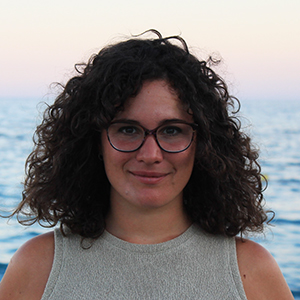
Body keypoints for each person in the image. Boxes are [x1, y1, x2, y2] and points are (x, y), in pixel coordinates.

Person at [0, 30, 293, 300]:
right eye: (128, 130)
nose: (150, 154)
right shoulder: (38, 268)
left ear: (203, 143)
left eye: (172, 130)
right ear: (94, 142)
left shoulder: (252, 272)